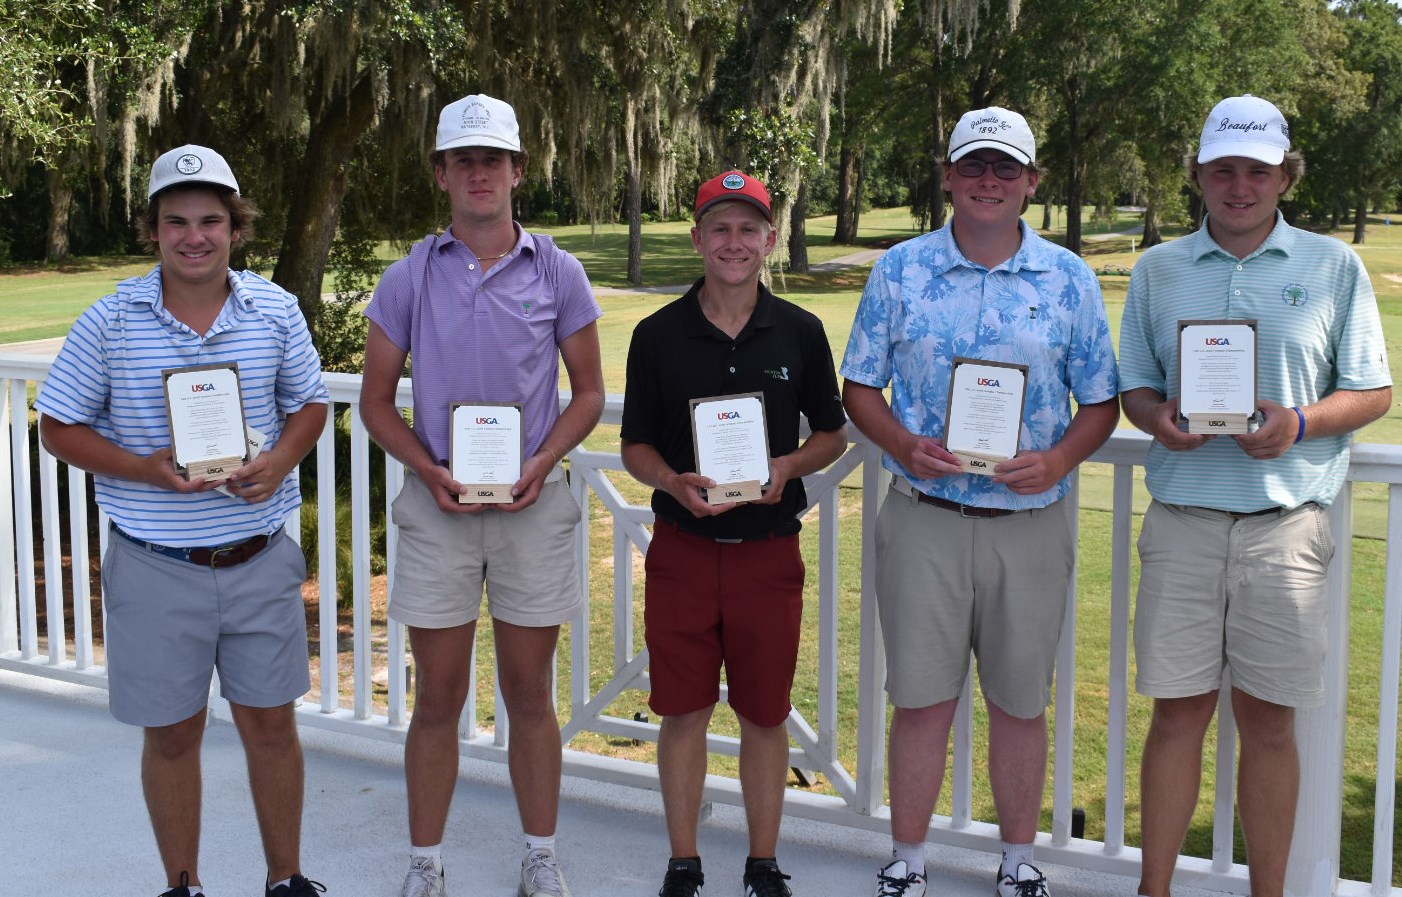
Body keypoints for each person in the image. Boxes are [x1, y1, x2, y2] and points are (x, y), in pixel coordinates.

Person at [840, 107, 1120, 897]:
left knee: (1020, 703)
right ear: (950, 177)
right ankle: (909, 859)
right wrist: (899, 442)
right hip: (925, 516)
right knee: (922, 698)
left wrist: (1060, 457)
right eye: (975, 167)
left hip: (1030, 525)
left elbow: (1101, 400)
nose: (989, 181)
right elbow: (860, 384)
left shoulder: (1070, 279)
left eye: (1006, 169)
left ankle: (1017, 860)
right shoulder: (900, 269)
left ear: (1032, 181)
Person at [36, 145, 329, 897]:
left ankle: (286, 878)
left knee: (271, 727)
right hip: (156, 562)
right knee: (171, 734)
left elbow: (310, 404)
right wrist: (142, 465)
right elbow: (57, 425)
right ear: (153, 229)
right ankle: (184, 885)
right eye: (176, 221)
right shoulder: (111, 320)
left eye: (211, 220)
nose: (194, 235)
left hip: (259, 557)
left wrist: (279, 460)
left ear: (236, 227)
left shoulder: (275, 308)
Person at [1118, 94, 1392, 897]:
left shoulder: (1332, 265)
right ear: (1200, 175)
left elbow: (1371, 390)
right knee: (1176, 716)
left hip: (1287, 526)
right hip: (1183, 521)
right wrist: (1157, 418)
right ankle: (1154, 890)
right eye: (1224, 169)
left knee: (1271, 724)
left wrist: (1301, 421)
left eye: (1258, 171)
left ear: (1284, 177)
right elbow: (1136, 384)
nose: (1240, 186)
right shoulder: (1158, 269)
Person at [360, 93, 605, 897]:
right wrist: (428, 469)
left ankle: (540, 852)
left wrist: (543, 461)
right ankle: (425, 864)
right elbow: (373, 401)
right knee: (439, 696)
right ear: (441, 173)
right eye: (462, 159)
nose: (478, 173)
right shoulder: (408, 277)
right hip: (439, 509)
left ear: (517, 172)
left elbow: (589, 392)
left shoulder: (558, 270)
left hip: (532, 506)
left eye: (492, 159)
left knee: (529, 692)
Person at [620, 170, 848, 897]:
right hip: (684, 552)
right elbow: (635, 445)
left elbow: (834, 434)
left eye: (749, 228)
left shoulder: (802, 332)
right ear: (697, 238)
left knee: (763, 711)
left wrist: (788, 464)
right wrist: (671, 481)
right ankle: (684, 861)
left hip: (767, 552)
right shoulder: (657, 335)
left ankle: (761, 861)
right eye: (719, 227)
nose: (734, 242)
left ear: (770, 240)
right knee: (683, 708)